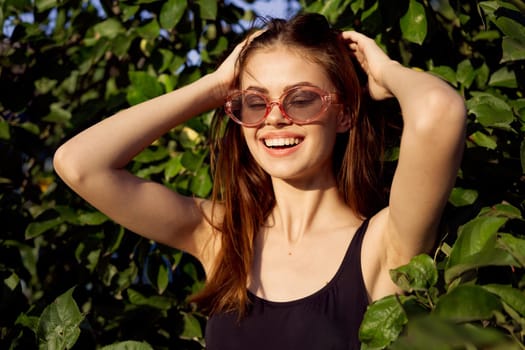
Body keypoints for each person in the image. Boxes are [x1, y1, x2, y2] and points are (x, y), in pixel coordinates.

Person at [53, 13, 466, 350]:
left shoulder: (383, 244)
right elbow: (79, 164)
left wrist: (385, 72)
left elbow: (439, 112)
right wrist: (215, 86)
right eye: (254, 102)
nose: (273, 117)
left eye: (300, 98)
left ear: (344, 113)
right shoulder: (222, 237)